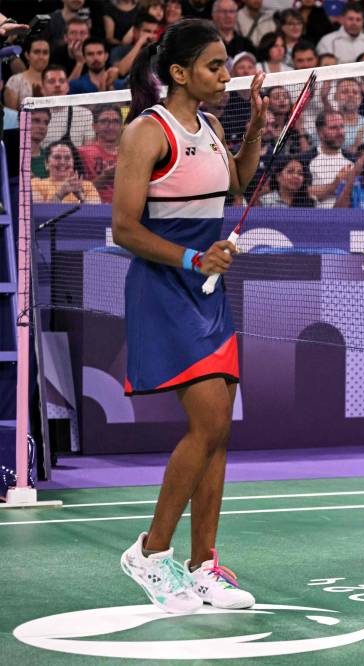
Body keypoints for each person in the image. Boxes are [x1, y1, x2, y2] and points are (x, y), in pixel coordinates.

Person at [111, 18, 267, 614]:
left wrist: (252, 128)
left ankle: (205, 567)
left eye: (225, 66)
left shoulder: (209, 126)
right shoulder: (147, 133)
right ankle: (150, 554)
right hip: (164, 287)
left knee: (219, 429)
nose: (225, 76)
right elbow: (124, 227)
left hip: (206, 290)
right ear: (179, 74)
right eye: (214, 67)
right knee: (207, 424)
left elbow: (238, 184)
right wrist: (193, 255)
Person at [31, 140, 102, 203]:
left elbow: (94, 212)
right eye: (57, 157)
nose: (62, 162)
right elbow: (39, 213)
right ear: (46, 163)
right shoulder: (35, 184)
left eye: (67, 158)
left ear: (73, 162)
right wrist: (60, 194)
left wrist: (81, 196)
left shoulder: (87, 186)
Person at [78, 105, 123, 203]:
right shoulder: (82, 153)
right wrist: (105, 177)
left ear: (121, 126)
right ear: (94, 126)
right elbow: (78, 191)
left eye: (115, 121)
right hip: (95, 210)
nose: (110, 126)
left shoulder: (130, 155)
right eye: (104, 121)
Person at [3, 37, 50, 111]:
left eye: (45, 52)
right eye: (36, 52)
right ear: (27, 55)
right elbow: (11, 117)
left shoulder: (55, 80)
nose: (41, 57)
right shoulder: (15, 81)